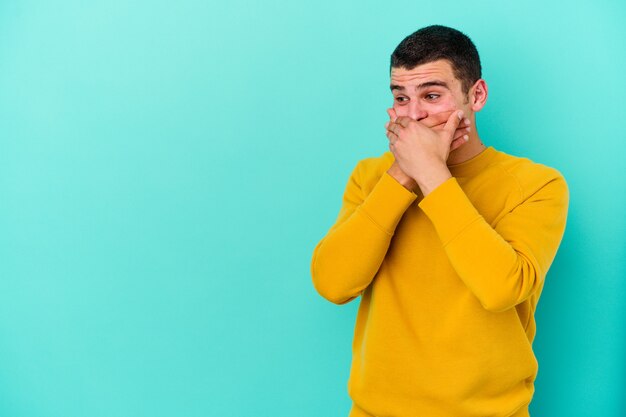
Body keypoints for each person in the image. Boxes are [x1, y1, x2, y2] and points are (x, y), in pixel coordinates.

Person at [310, 25, 569, 417]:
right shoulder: (370, 176)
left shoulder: (537, 185)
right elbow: (333, 283)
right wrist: (402, 174)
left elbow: (501, 288)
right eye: (401, 98)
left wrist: (431, 172)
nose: (413, 115)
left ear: (476, 95)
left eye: (431, 95)